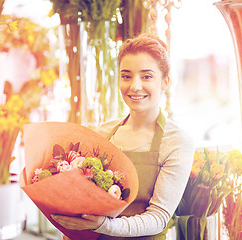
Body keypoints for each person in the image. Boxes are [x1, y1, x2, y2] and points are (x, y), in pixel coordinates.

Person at [52, 33, 195, 239]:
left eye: (147, 76)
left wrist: (103, 225)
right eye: (126, 76)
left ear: (165, 81)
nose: (135, 86)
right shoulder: (104, 132)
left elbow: (158, 218)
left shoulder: (176, 141)